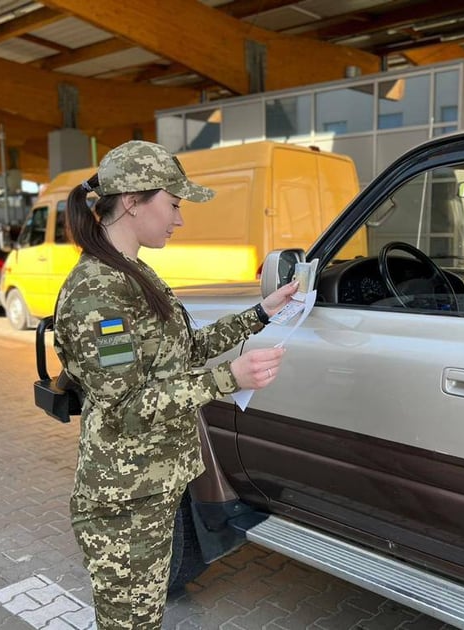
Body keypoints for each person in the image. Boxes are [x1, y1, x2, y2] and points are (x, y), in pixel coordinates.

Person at [52, 140, 298, 630]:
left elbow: (179, 351)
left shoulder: (131, 273)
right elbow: (126, 403)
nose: (179, 219)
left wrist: (261, 314)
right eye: (174, 204)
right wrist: (230, 378)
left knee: (144, 618)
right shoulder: (97, 291)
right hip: (124, 500)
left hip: (151, 486)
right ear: (131, 201)